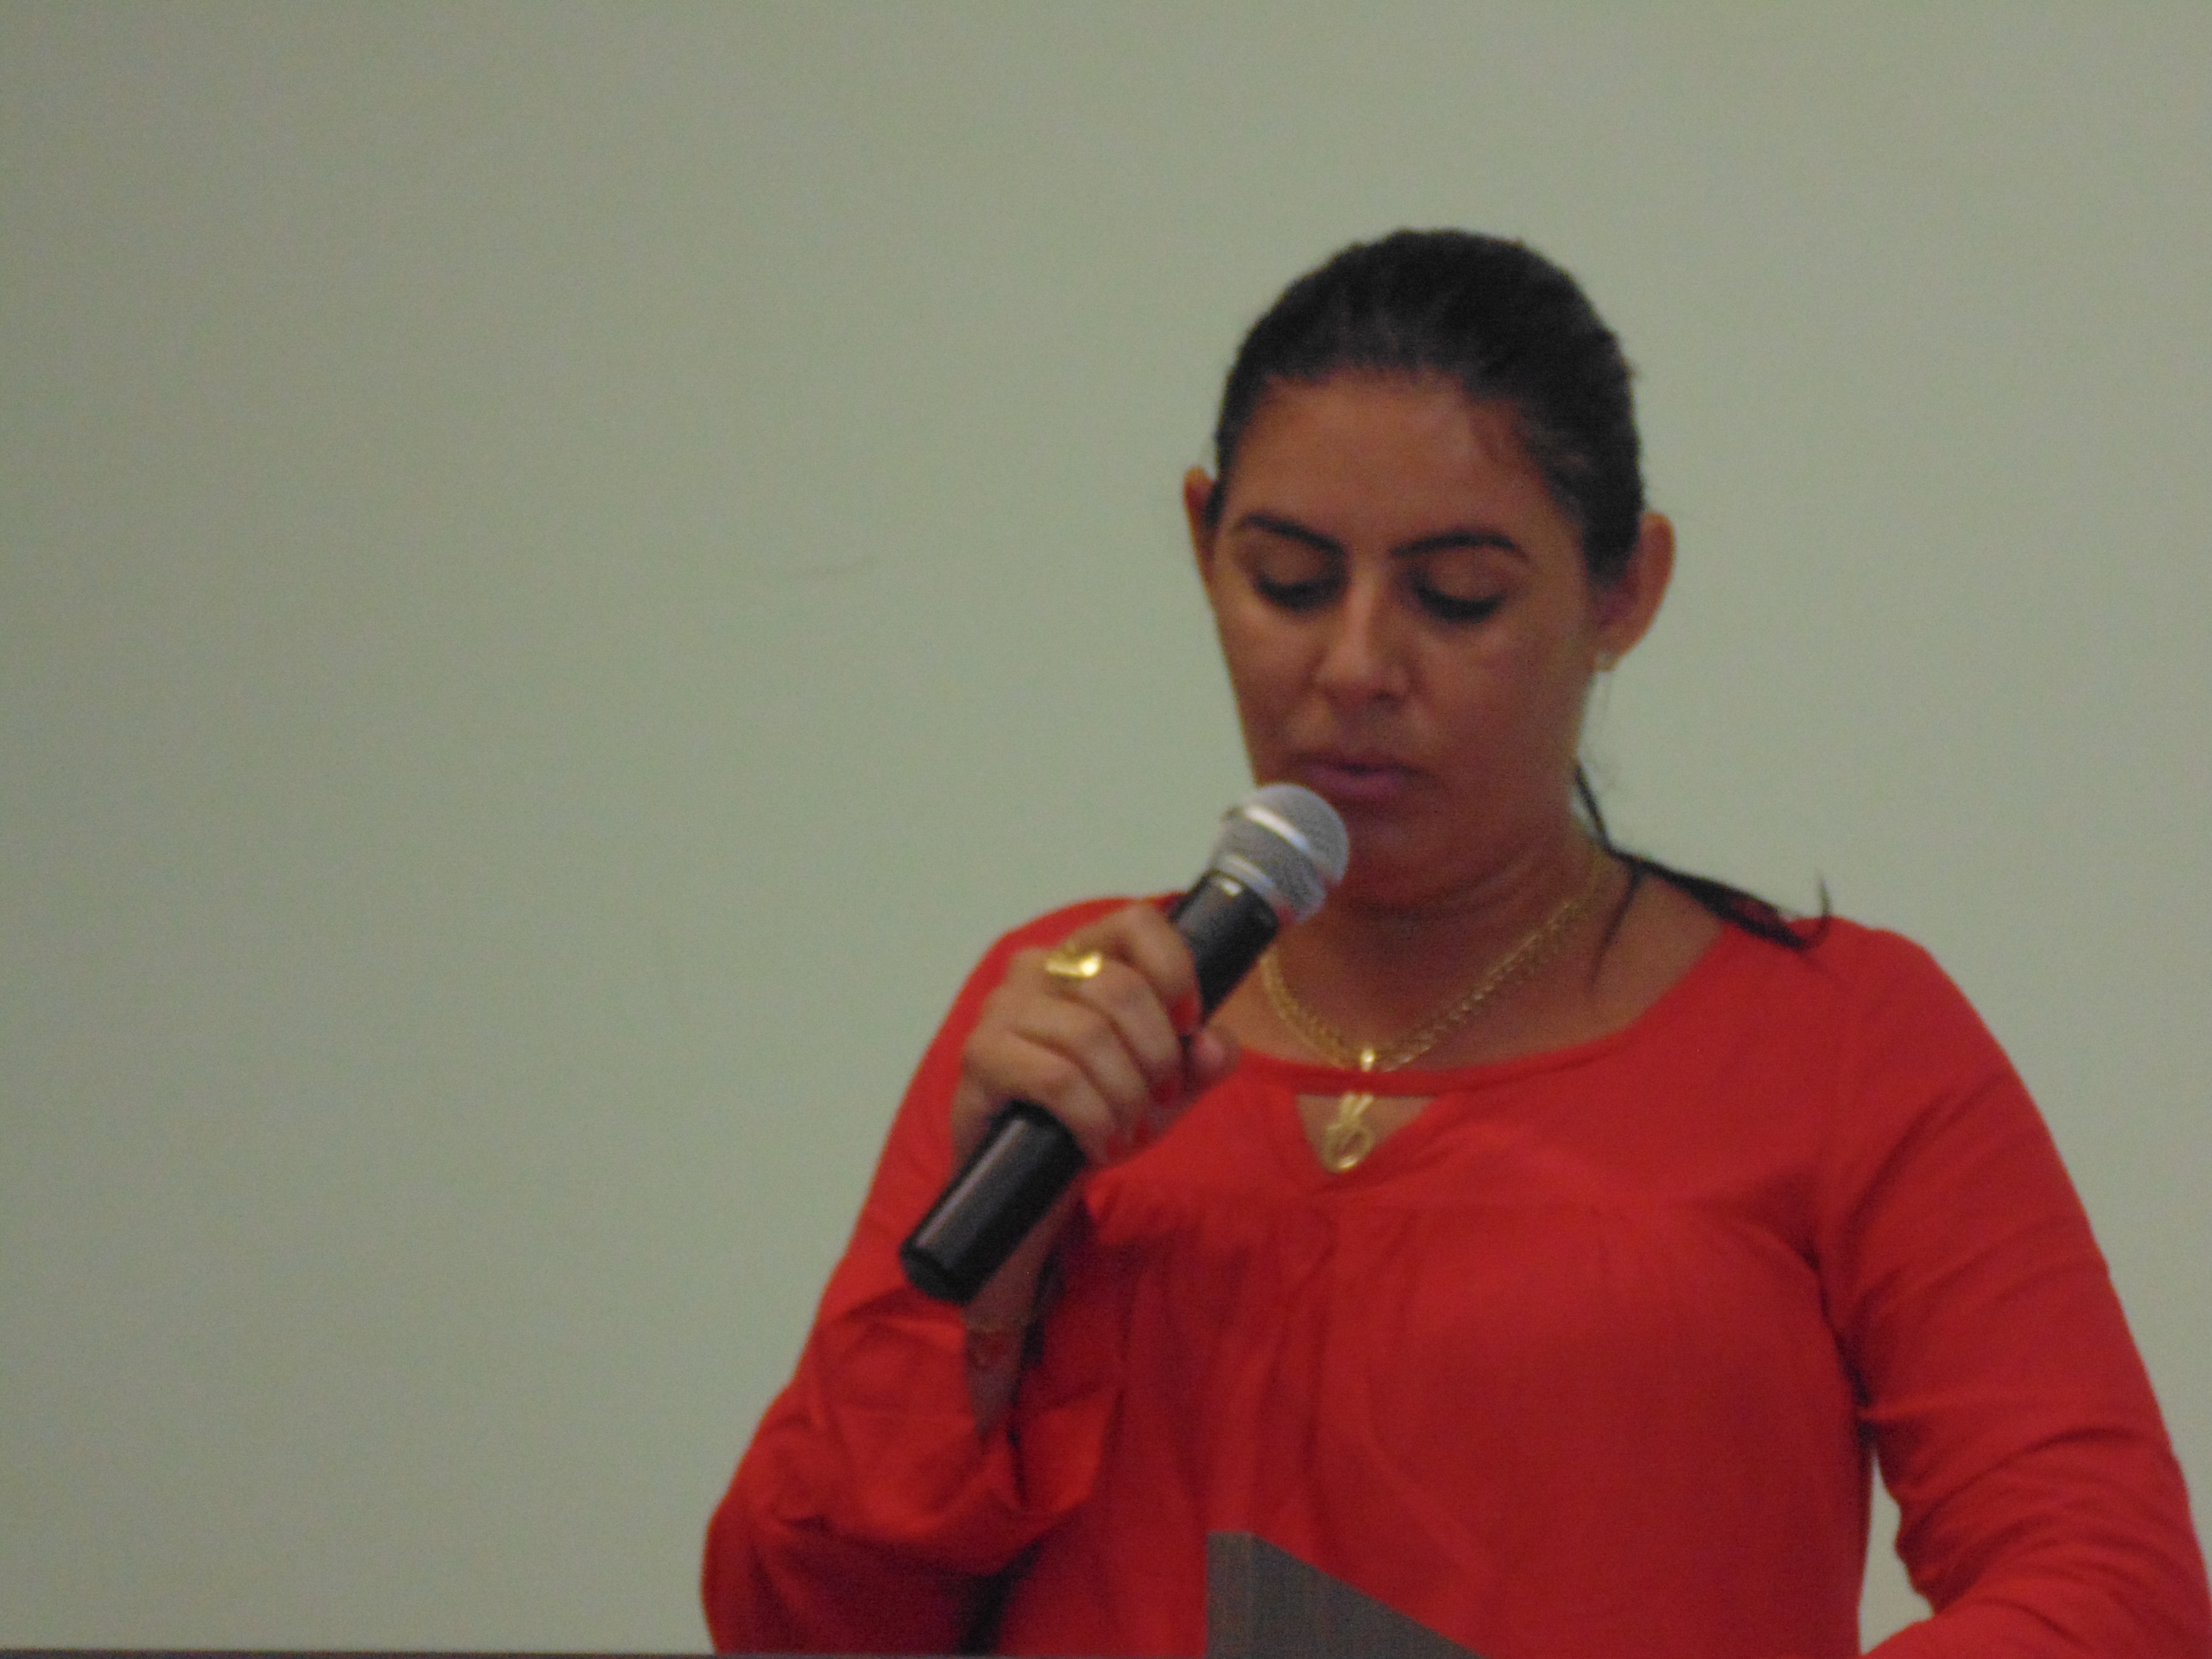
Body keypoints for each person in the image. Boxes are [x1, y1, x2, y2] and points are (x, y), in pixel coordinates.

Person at [702, 231, 2211, 1658]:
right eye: (1289, 582)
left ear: (1625, 590)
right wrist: (991, 1294)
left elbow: (2112, 1591)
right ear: (1202, 542)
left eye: (1458, 597)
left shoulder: (1844, 1040)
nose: (1355, 665)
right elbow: (797, 1619)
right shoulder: (1074, 1015)